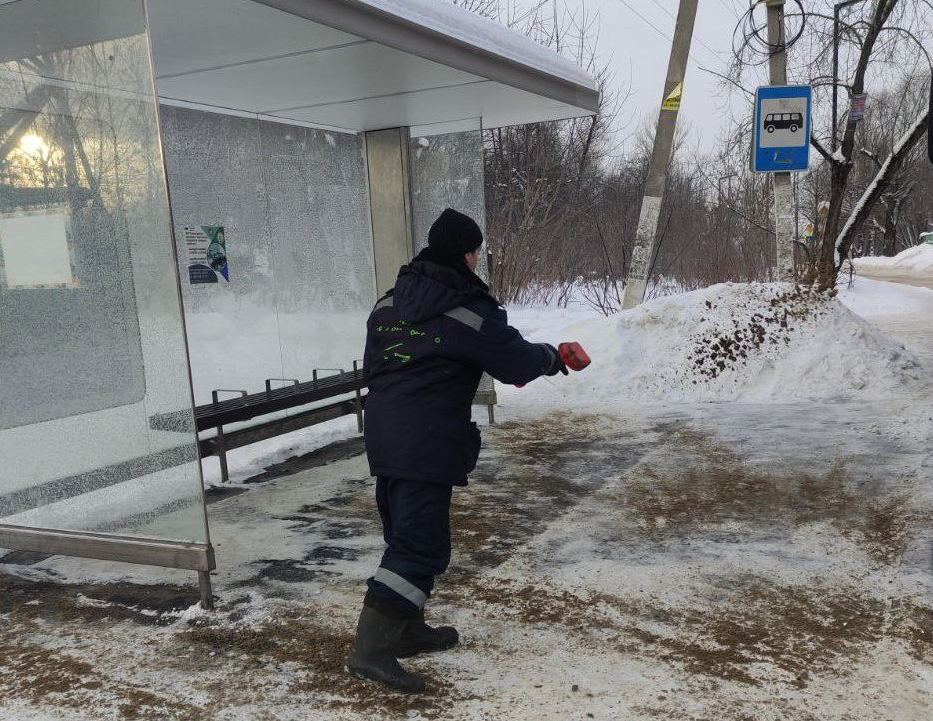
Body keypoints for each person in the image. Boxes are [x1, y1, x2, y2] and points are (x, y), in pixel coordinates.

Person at [346, 208, 568, 693]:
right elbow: (516, 363)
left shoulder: (388, 302)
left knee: (406, 533)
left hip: (385, 432)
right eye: (475, 251)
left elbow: (378, 365)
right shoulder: (468, 310)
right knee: (417, 544)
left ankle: (406, 628)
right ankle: (370, 652)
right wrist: (554, 356)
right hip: (425, 438)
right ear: (468, 255)